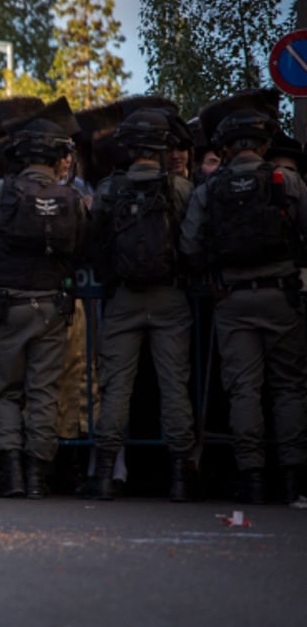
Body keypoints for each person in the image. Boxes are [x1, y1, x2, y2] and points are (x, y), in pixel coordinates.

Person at [180, 104, 307, 504]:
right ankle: (292, 480)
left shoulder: (209, 189)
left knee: (243, 390)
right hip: (282, 294)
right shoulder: (286, 180)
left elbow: (188, 246)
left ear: (227, 147)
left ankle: (250, 477)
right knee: (289, 387)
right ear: (265, 143)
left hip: (232, 299)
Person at [0, 110, 86, 499]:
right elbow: (85, 246)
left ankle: (10, 472)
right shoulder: (71, 197)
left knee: (5, 391)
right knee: (44, 391)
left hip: (6, 306)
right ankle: (37, 477)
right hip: (53, 307)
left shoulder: (1, 192)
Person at [89, 109, 197, 502]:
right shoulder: (180, 189)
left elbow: (93, 241)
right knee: (174, 387)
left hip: (122, 298)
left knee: (115, 387)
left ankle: (103, 476)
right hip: (171, 298)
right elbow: (193, 244)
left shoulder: (108, 190)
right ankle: (181, 479)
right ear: (163, 147)